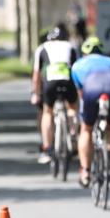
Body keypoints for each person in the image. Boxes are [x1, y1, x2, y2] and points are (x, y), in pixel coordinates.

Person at [71, 36, 110, 187]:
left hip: (91, 90)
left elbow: (80, 95)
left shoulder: (77, 66)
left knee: (86, 130)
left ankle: (86, 171)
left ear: (84, 52)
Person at [30, 23, 79, 164]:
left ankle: (47, 148)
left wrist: (36, 93)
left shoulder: (42, 48)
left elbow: (36, 75)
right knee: (72, 108)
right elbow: (76, 69)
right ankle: (73, 133)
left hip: (50, 83)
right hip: (68, 81)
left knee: (47, 112)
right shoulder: (70, 46)